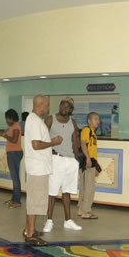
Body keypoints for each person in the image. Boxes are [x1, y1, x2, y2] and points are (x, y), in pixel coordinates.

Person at [23, 95, 62, 246]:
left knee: (34, 201)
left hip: (39, 167)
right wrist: (54, 142)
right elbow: (36, 145)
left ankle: (29, 229)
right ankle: (31, 234)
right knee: (34, 202)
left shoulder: (34, 120)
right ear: (41, 105)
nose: (47, 108)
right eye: (46, 105)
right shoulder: (34, 121)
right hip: (37, 168)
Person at [42, 98, 82, 232]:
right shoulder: (50, 119)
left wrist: (77, 159)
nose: (64, 108)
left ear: (71, 109)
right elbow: (42, 137)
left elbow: (74, 141)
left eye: (67, 107)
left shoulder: (73, 122)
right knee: (52, 192)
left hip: (70, 161)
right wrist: (48, 150)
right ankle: (49, 221)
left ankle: (68, 220)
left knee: (67, 192)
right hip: (56, 159)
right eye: (62, 105)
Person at [0, 109, 23, 209]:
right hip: (12, 152)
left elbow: (14, 140)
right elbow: (10, 136)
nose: (6, 120)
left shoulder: (16, 126)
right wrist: (4, 133)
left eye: (7, 118)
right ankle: (14, 199)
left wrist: (4, 135)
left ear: (12, 118)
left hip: (14, 153)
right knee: (14, 177)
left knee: (15, 178)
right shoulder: (12, 126)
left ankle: (17, 201)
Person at [78, 112, 100, 220]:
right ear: (89, 121)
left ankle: (81, 209)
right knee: (89, 187)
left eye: (98, 119)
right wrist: (87, 158)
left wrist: (95, 166)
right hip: (87, 162)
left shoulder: (93, 133)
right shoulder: (86, 130)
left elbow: (92, 151)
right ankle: (86, 211)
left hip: (90, 162)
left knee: (85, 186)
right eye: (95, 119)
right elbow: (83, 143)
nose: (98, 121)